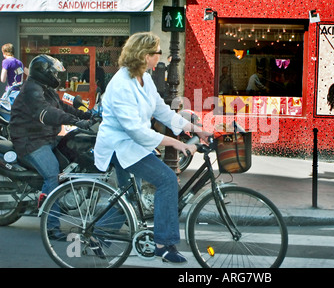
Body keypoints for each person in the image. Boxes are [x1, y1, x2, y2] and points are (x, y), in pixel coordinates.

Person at [93, 31, 210, 264]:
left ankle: (99, 235)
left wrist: (194, 128)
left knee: (129, 196)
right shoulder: (122, 85)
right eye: (157, 52)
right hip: (120, 146)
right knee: (167, 179)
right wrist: (175, 142)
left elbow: (162, 111)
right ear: (144, 55)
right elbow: (135, 130)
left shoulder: (144, 79)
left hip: (134, 144)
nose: (160, 57)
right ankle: (163, 245)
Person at [9, 54, 92, 238]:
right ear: (44, 72)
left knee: (74, 149)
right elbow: (47, 112)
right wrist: (75, 121)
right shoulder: (31, 89)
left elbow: (61, 106)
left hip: (46, 137)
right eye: (53, 72)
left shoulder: (45, 88)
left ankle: (60, 202)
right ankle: (51, 226)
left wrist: (87, 115)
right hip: (31, 141)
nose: (56, 75)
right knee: (52, 175)